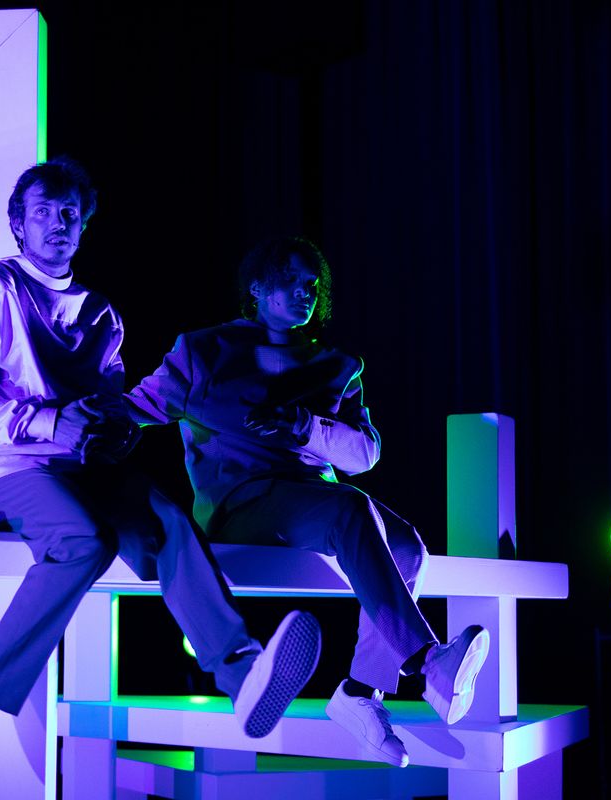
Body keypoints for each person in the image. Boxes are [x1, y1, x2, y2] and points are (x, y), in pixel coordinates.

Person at [0, 160, 322, 800]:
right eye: (43, 211)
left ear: (84, 224)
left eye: (69, 212)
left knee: (168, 519)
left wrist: (110, 431)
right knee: (84, 541)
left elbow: (108, 408)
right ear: (18, 224)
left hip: (82, 470)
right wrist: (48, 423)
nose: (58, 223)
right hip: (0, 469)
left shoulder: (101, 314)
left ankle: (243, 672)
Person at [124, 235, 490, 768]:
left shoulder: (337, 365)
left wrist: (303, 425)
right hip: (241, 504)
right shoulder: (203, 351)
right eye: (291, 281)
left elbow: (363, 453)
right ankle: (428, 662)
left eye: (312, 285)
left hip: (314, 501)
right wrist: (57, 430)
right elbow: (134, 409)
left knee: (408, 546)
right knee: (351, 509)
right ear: (256, 287)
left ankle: (360, 693)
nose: (304, 293)